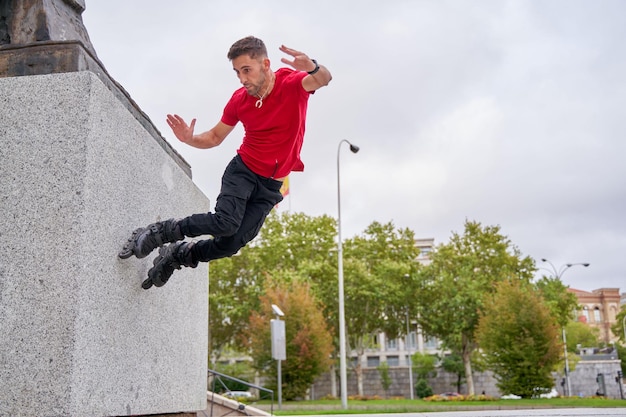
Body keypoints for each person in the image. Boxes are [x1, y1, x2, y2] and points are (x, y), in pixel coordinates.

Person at [119, 36, 332, 289]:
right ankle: (159, 232)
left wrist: (312, 66)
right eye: (237, 72)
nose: (242, 79)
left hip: (270, 186)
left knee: (232, 243)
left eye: (246, 70)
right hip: (243, 171)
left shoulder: (292, 84)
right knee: (225, 222)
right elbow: (214, 137)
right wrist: (189, 139)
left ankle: (179, 255)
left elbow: (324, 79)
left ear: (265, 64)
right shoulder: (239, 100)